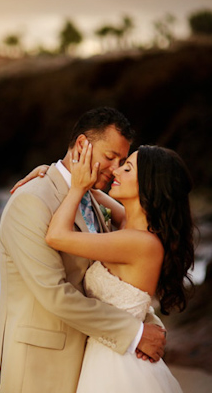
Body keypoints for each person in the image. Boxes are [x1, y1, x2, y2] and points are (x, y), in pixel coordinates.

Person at [0, 107, 167, 393]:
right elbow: (55, 293)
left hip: (89, 363)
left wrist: (147, 321)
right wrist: (135, 332)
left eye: (122, 161)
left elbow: (118, 280)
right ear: (82, 145)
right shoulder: (31, 201)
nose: (116, 169)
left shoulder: (92, 197)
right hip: (37, 368)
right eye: (110, 157)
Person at [43, 142, 194, 392]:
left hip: (117, 364)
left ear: (148, 184)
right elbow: (80, 184)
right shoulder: (129, 224)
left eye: (127, 168)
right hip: (112, 350)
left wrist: (77, 188)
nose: (116, 171)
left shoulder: (139, 242)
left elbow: (56, 236)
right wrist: (45, 174)